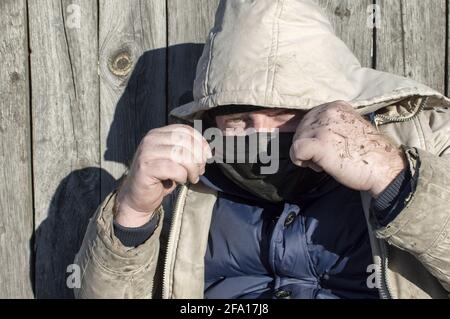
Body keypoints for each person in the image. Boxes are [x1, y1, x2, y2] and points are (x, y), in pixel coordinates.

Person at [75, 0, 450, 299]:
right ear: (211, 115)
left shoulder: (424, 139)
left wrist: (394, 178)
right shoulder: (178, 174)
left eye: (286, 114)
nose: (262, 134)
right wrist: (132, 215)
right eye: (238, 117)